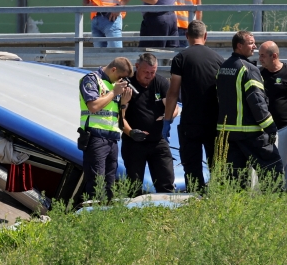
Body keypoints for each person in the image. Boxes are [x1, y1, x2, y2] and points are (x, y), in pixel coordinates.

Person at [216, 31, 283, 176]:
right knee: (273, 171)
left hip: (227, 132)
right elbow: (257, 102)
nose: (255, 46)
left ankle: (238, 200)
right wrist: (270, 127)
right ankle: (273, 199)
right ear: (239, 46)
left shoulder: (223, 67)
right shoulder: (248, 69)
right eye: (251, 43)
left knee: (236, 177)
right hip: (249, 132)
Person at [165, 20, 222, 190]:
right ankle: (217, 197)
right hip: (214, 121)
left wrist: (167, 121)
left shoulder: (180, 58)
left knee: (192, 168)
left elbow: (173, 92)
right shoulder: (219, 59)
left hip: (190, 122)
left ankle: (195, 199)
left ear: (186, 36)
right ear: (205, 36)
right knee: (217, 166)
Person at [120, 53, 176, 193]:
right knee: (134, 187)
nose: (149, 75)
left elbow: (174, 107)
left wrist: (166, 116)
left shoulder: (161, 82)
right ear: (137, 67)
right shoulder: (127, 84)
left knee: (166, 182)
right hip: (134, 142)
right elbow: (120, 117)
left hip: (157, 140)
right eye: (146, 72)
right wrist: (131, 133)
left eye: (153, 72)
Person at [79, 57, 133, 200]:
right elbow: (94, 106)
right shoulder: (91, 79)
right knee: (97, 183)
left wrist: (123, 104)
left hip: (112, 140)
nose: (121, 81)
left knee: (110, 185)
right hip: (95, 137)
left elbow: (119, 118)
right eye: (120, 77)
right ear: (113, 69)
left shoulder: (114, 86)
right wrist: (114, 93)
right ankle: (94, 216)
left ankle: (106, 215)